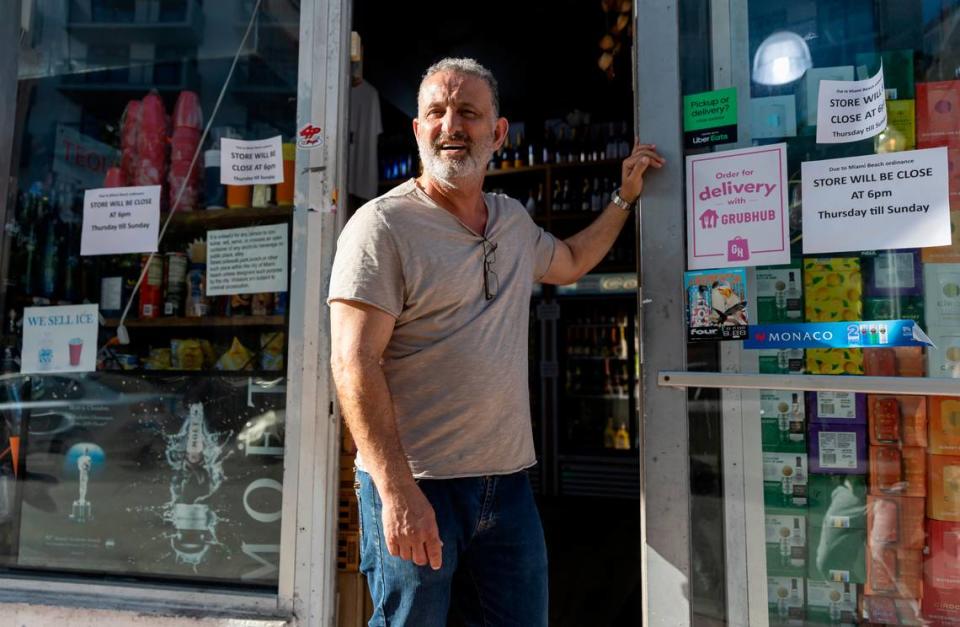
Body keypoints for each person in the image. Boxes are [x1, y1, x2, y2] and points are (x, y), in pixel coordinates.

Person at [328, 57, 663, 626]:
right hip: (419, 485)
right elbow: (352, 362)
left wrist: (624, 198)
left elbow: (574, 260)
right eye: (436, 112)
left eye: (468, 113)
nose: (451, 126)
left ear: (498, 132)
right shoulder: (380, 227)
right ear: (417, 129)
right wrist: (396, 491)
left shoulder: (511, 220)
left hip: (507, 489)